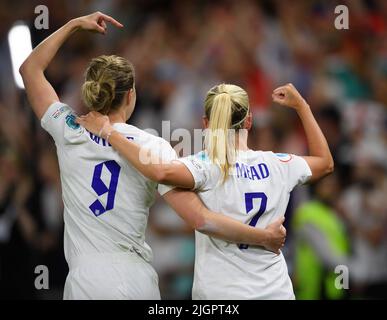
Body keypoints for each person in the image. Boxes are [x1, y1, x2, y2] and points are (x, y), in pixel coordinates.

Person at [19, 12, 286, 300]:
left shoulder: (68, 128)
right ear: (131, 95)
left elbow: (30, 69)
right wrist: (262, 237)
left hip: (87, 279)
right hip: (135, 278)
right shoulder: (153, 146)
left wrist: (72, 26)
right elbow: (201, 219)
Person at [78, 83, 334, 299]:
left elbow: (160, 172)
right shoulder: (278, 164)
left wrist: (108, 131)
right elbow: (325, 163)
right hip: (275, 291)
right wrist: (303, 107)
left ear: (206, 123)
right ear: (249, 121)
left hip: (221, 294)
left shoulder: (203, 165)